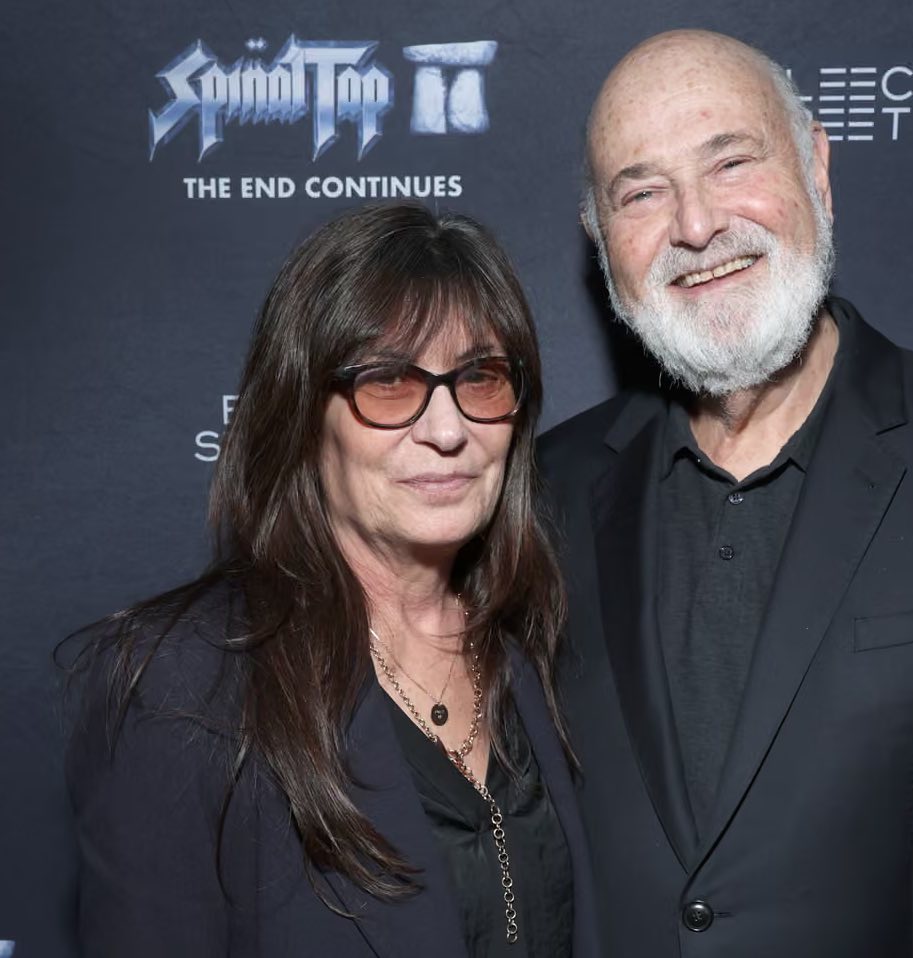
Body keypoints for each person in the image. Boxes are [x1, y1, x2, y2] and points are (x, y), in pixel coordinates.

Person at [539, 29, 913, 957]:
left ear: (816, 168)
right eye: (641, 192)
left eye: (731, 162)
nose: (697, 225)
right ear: (600, 239)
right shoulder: (545, 488)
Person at [65, 203, 599, 957]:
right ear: (302, 414)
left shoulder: (533, 643)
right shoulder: (184, 688)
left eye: (480, 378)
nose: (448, 430)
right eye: (388, 381)